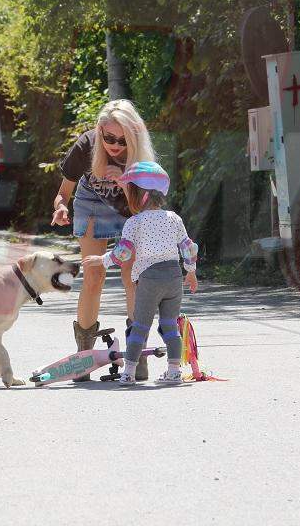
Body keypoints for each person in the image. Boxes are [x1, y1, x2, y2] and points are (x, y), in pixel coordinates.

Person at [52, 100, 156, 379]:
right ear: (99, 131)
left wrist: (125, 181)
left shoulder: (142, 159)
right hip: (90, 205)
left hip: (130, 208)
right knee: (93, 275)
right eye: (108, 137)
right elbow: (63, 193)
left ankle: (137, 354)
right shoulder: (86, 145)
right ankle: (84, 354)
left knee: (132, 274)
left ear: (133, 134)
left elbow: (147, 209)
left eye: (122, 140)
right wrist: (60, 207)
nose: (114, 145)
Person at [82, 161, 198, 385]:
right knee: (170, 325)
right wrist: (190, 272)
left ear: (139, 195)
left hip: (150, 278)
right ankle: (174, 371)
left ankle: (129, 373)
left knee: (140, 327)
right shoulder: (174, 218)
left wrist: (102, 260)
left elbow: (123, 252)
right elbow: (188, 247)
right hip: (174, 277)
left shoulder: (134, 222)